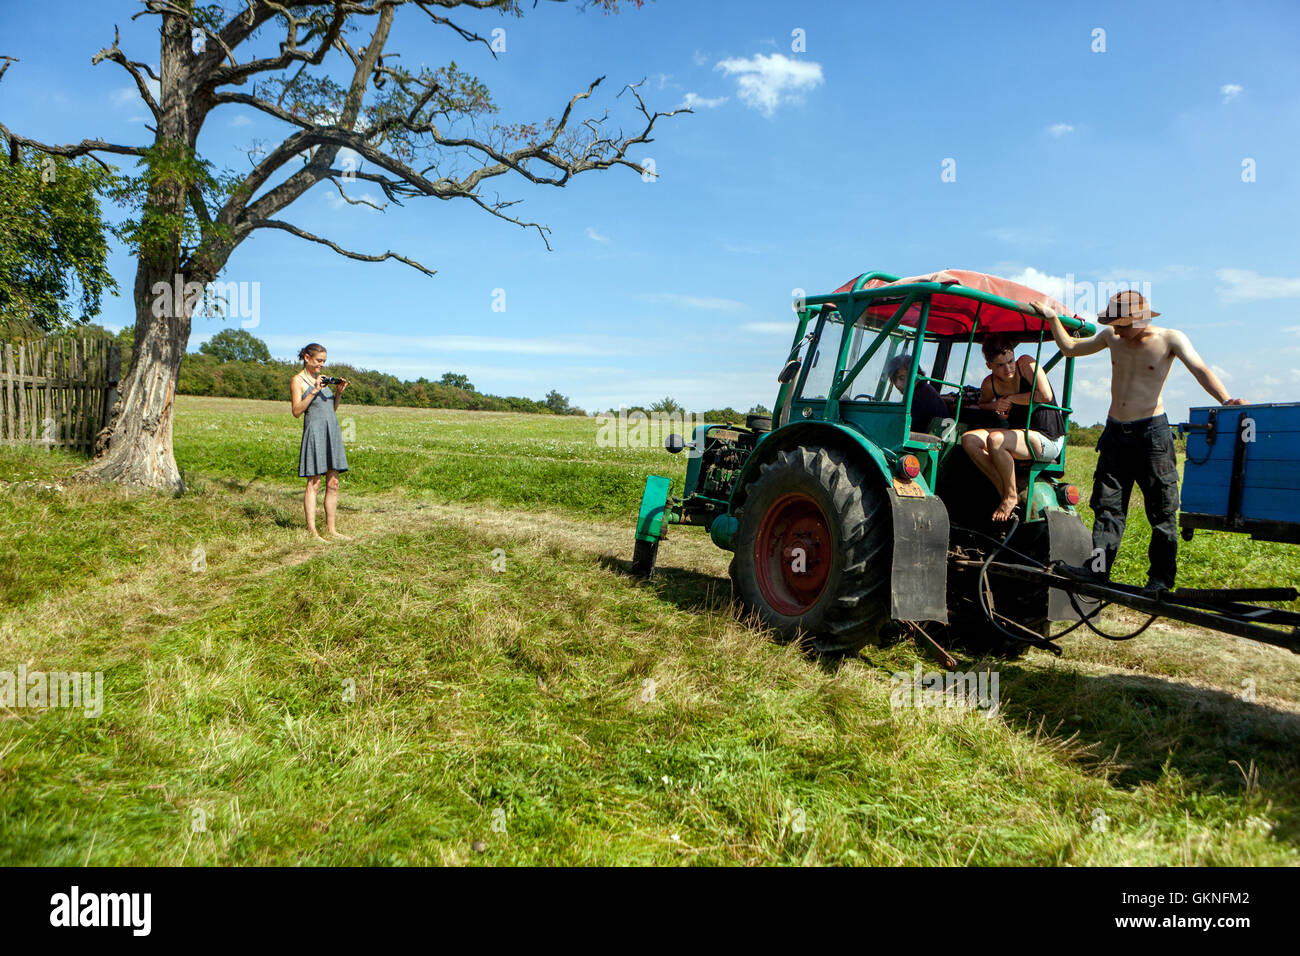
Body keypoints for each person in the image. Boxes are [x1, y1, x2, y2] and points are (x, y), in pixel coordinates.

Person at [1031, 291, 1247, 593]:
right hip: (1115, 433)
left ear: (1141, 318)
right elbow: (1069, 349)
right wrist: (1053, 319)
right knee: (1107, 507)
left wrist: (1226, 399)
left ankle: (1159, 580)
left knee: (1162, 509)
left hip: (1152, 435)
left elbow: (1200, 369)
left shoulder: (1170, 339)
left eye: (1123, 324)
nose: (1117, 330)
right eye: (1115, 324)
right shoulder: (1111, 337)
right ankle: (1097, 571)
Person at [959, 334, 1066, 521]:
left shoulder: (1026, 364)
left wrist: (1011, 399)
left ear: (1014, 355)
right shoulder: (989, 383)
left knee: (996, 440)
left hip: (1047, 437)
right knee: (969, 440)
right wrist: (996, 406)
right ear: (989, 366)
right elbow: (983, 404)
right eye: (1000, 365)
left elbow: (1045, 395)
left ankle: (1009, 498)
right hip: (1018, 436)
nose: (1008, 368)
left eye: (1010, 361)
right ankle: (1007, 491)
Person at [290, 343, 351, 541]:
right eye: (318, 361)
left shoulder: (322, 380)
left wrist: (339, 393)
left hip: (331, 431)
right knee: (314, 483)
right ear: (307, 358)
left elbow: (330, 409)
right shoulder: (298, 381)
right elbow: (297, 411)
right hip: (315, 433)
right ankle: (312, 532)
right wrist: (314, 391)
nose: (321, 365)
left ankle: (332, 530)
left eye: (324, 361)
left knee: (333, 483)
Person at [886, 354, 951, 429]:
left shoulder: (920, 397)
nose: (898, 384)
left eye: (902, 378)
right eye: (894, 380)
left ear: (915, 375)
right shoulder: (922, 391)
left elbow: (903, 428)